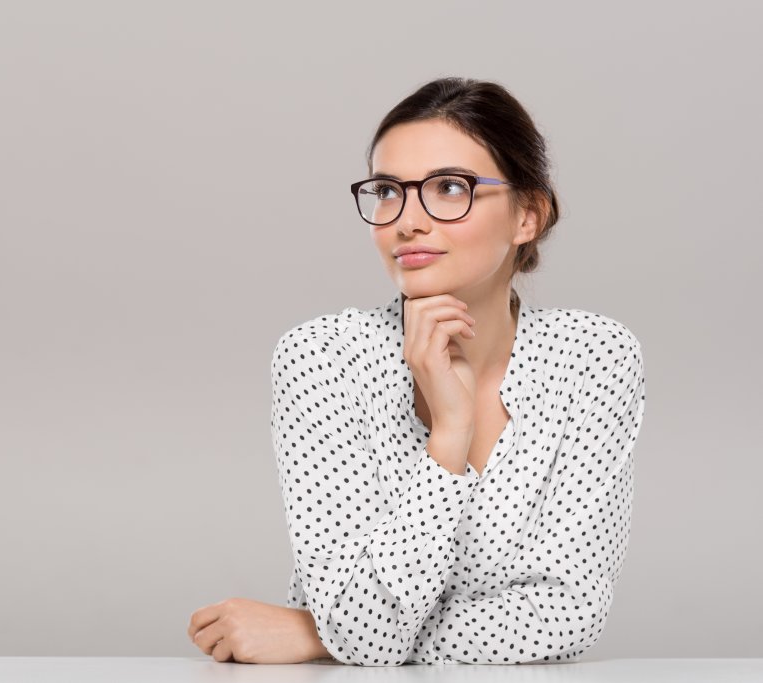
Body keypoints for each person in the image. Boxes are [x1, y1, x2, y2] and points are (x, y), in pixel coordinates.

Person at [187, 76, 646, 666]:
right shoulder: (323, 360)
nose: (405, 221)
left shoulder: (594, 358)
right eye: (387, 191)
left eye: (449, 188)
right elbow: (363, 634)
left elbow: (571, 613)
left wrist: (314, 634)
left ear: (527, 216)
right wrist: (449, 436)